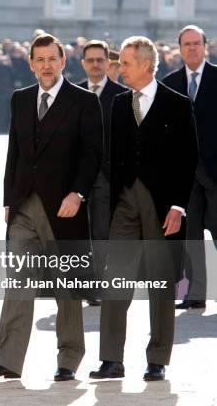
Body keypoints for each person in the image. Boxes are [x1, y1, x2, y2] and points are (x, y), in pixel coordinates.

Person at [0, 33, 103, 382]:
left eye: (53, 59)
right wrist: (8, 199)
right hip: (23, 206)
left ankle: (68, 359)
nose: (47, 66)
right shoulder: (19, 99)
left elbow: (92, 154)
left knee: (66, 287)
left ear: (63, 62)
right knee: (17, 281)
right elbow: (14, 153)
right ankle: (7, 360)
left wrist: (77, 194)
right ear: (31, 64)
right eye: (40, 60)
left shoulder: (83, 101)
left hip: (64, 208)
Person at [89, 36, 197, 381]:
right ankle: (111, 360)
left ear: (147, 65)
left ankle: (158, 359)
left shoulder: (177, 104)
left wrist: (178, 206)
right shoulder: (119, 104)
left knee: (161, 286)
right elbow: (111, 157)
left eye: (126, 64)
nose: (120, 68)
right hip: (124, 205)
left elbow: (188, 159)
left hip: (162, 207)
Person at [163, 25, 217, 310]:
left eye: (197, 43)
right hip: (185, 175)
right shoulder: (170, 83)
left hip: (215, 172)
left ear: (205, 46)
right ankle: (196, 293)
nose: (192, 48)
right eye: (187, 44)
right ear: (180, 49)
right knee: (191, 234)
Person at [78, 40, 128, 306]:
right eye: (91, 60)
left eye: (100, 60)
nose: (96, 65)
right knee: (79, 231)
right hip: (76, 177)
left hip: (107, 176)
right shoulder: (72, 94)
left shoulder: (122, 95)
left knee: (100, 230)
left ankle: (97, 283)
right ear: (83, 63)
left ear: (108, 63)